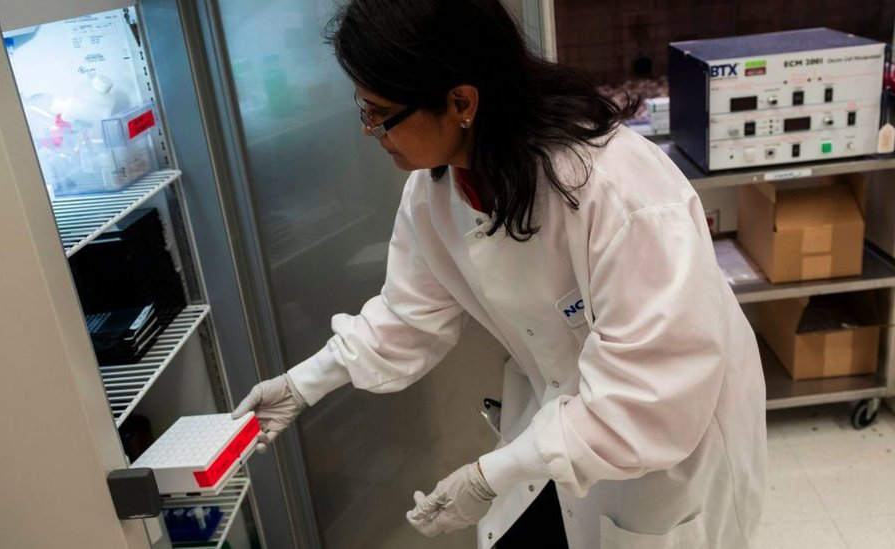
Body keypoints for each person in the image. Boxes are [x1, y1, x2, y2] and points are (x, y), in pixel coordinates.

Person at [232, 0, 768, 547]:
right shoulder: (436, 191)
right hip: (565, 420)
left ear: (461, 102)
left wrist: (489, 476)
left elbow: (652, 395)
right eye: (363, 108)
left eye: (380, 113)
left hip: (666, 438)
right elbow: (407, 315)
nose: (370, 131)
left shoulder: (620, 192)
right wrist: (301, 385)